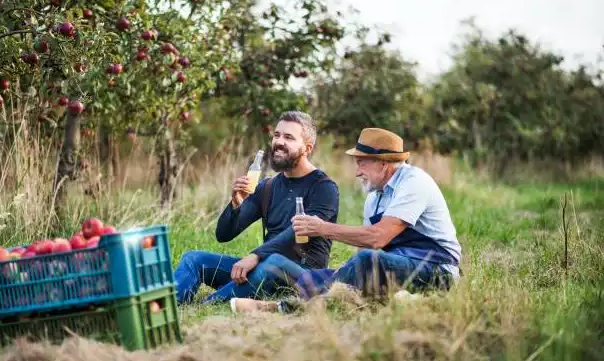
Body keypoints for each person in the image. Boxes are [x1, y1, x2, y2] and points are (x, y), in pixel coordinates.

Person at [229, 127, 462, 313]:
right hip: (395, 266)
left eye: (362, 162)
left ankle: (281, 309)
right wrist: (345, 270)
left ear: (383, 163)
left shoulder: (414, 182)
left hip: (437, 270)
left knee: (368, 261)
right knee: (313, 277)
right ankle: (376, 301)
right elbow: (368, 244)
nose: (357, 171)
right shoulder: (375, 198)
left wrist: (323, 228)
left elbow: (377, 239)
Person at [173, 111, 340, 304]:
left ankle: (208, 304)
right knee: (194, 259)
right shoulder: (268, 186)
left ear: (307, 148)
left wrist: (256, 255)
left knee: (272, 263)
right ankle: (172, 306)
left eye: (289, 137)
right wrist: (236, 203)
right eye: (276, 135)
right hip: (262, 268)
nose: (279, 142)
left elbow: (296, 231)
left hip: (301, 276)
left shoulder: (324, 187)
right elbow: (224, 234)